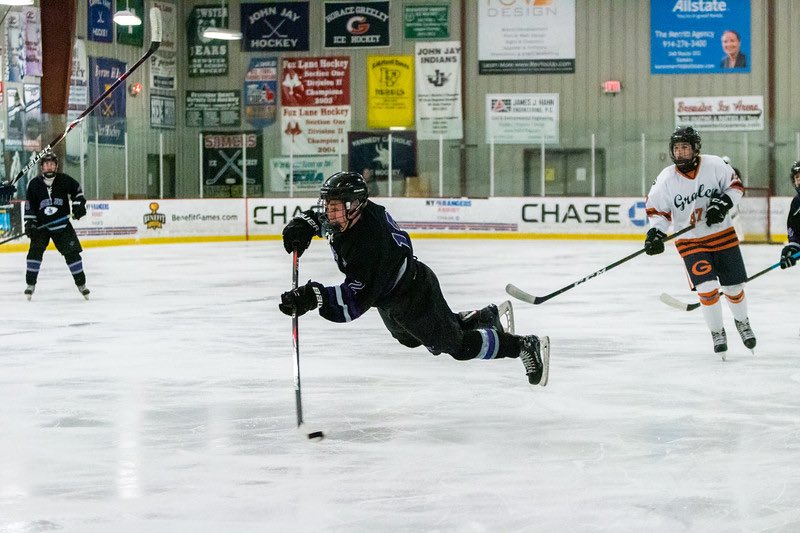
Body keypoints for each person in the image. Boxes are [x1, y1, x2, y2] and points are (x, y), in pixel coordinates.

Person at [278, 171, 550, 386]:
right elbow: (318, 220)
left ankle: (523, 345)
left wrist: (313, 296)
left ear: (354, 206)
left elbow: (351, 302)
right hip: (390, 297)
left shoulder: (370, 245)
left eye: (335, 208)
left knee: (455, 346)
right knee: (409, 340)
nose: (328, 213)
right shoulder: (354, 216)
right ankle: (484, 317)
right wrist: (302, 225)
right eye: (328, 206)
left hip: (413, 293)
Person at [644, 127, 755, 358]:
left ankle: (742, 322)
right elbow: (658, 212)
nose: (680, 152)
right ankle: (717, 332)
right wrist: (655, 233)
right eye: (676, 148)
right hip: (691, 242)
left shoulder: (714, 165)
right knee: (706, 288)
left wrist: (723, 203)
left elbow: (735, 187)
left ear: (695, 148)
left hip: (723, 236)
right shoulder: (666, 178)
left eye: (685, 147)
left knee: (733, 288)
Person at [23, 151, 89, 300]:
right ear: (42, 167)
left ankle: (81, 284)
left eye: (52, 164)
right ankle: (30, 284)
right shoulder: (34, 184)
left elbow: (77, 192)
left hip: (62, 225)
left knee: (72, 254)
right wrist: (30, 223)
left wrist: (78, 206)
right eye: (46, 164)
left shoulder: (65, 180)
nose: (49, 167)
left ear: (56, 166)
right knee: (34, 252)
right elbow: (29, 206)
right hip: (42, 226)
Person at [779, 161, 800, 270]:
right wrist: (792, 248)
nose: (799, 179)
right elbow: (794, 230)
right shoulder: (797, 202)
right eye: (797, 177)